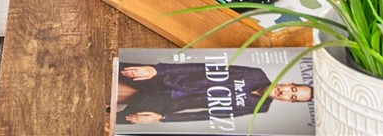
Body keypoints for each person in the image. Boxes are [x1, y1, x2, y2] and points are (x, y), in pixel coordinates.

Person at [113, 59, 312, 125]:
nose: (285, 93)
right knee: (110, 69)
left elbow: (208, 115)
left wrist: (163, 118)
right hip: (164, 78)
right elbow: (202, 68)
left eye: (292, 97)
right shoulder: (255, 74)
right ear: (288, 83)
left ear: (288, 102)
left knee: (114, 119)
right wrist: (158, 70)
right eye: (292, 89)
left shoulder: (260, 108)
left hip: (166, 106)